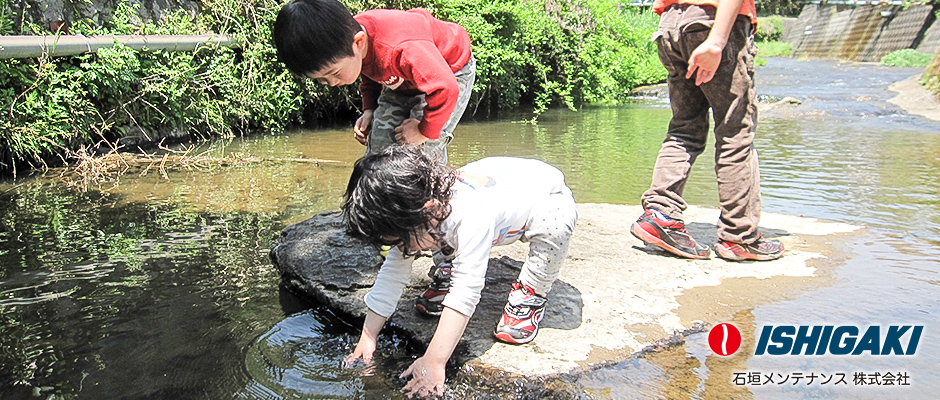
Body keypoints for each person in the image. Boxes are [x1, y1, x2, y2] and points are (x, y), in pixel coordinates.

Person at [341, 145, 577, 397]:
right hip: (483, 198)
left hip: (546, 197)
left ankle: (531, 291)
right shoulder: (420, 209)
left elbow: (466, 291)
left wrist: (434, 361)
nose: (400, 249)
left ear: (429, 208)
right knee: (428, 237)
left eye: (400, 240)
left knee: (554, 224)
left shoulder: (471, 213)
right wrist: (368, 336)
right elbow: (393, 273)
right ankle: (447, 268)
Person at [631, 0, 784, 261]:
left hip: (671, 24)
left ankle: (661, 215)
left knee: (685, 126)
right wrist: (716, 41)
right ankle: (739, 236)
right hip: (713, 20)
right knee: (736, 131)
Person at [272, 0, 476, 161]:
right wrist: (369, 109)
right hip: (404, 79)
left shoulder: (401, 46)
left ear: (359, 42)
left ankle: (431, 200)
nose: (332, 83)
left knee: (422, 148)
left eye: (334, 73)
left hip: (449, 71)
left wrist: (423, 132)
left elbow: (446, 89)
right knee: (380, 142)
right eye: (321, 80)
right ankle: (380, 200)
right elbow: (370, 69)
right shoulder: (348, 40)